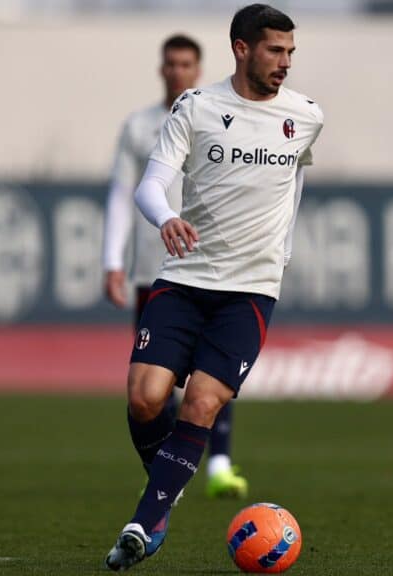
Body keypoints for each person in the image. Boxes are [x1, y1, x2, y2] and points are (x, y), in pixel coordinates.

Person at [105, 4, 323, 571]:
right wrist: (166, 219)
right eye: (275, 50)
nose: (285, 63)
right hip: (185, 277)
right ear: (242, 48)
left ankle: (145, 521)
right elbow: (150, 185)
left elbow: (294, 183)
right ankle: (168, 487)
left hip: (250, 289)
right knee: (144, 397)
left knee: (202, 401)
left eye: (291, 52)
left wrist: (284, 253)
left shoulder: (306, 116)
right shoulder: (197, 108)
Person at [102, 34, 250, 500]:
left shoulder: (215, 118)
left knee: (210, 375)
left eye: (186, 63)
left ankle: (220, 465)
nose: (177, 71)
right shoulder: (138, 127)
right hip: (155, 271)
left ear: (198, 68)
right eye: (170, 63)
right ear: (161, 69)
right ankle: (171, 467)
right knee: (153, 387)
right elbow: (123, 195)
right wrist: (112, 260)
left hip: (209, 266)